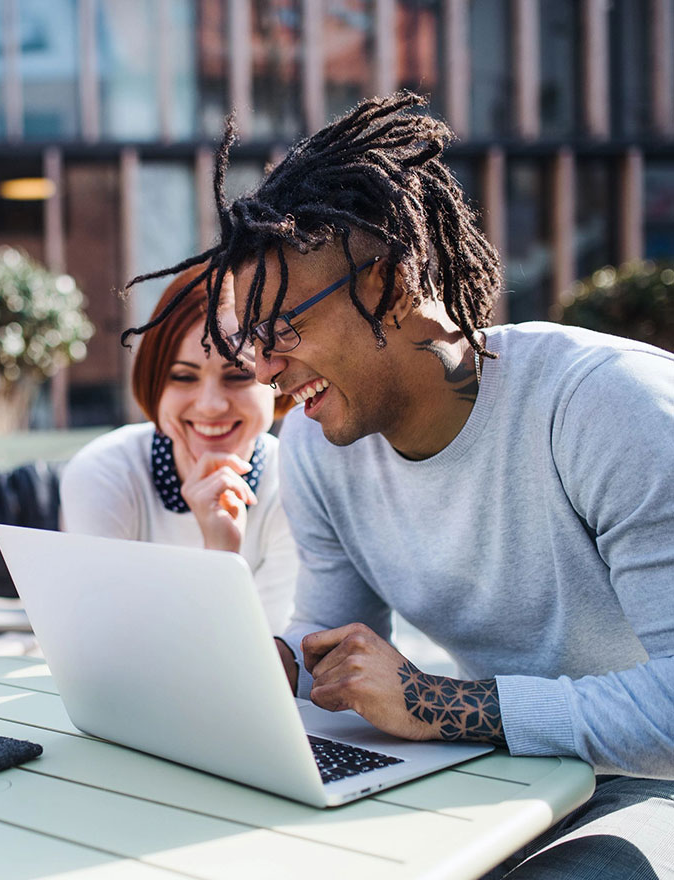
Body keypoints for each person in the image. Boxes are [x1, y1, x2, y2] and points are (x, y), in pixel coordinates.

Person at [123, 92, 674, 878]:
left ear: (391, 283)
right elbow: (329, 642)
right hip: (506, 776)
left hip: (650, 789)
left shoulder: (610, 409)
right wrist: (272, 667)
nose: (263, 369)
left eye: (282, 329)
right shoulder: (320, 446)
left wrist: (439, 706)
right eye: (251, 337)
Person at [61, 270, 296, 634]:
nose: (211, 405)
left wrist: (222, 554)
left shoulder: (297, 484)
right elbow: (104, 642)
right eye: (184, 377)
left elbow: (261, 660)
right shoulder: (104, 473)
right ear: (154, 382)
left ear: (277, 379)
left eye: (237, 376)